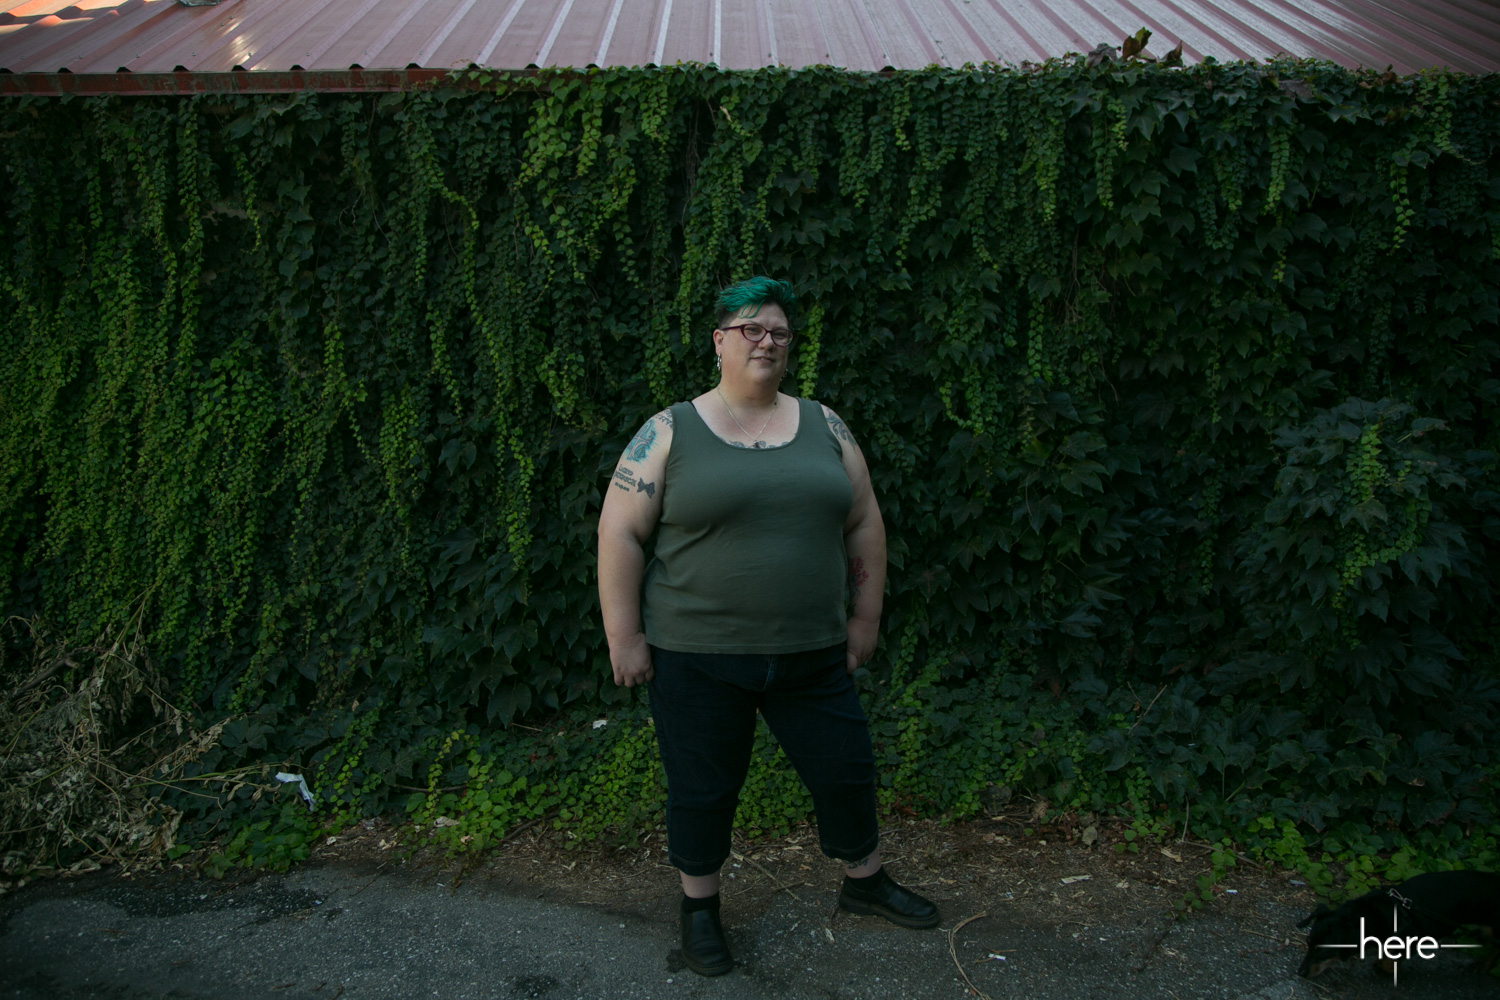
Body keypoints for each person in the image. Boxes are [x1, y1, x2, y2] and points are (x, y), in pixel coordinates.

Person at [596, 276, 938, 977]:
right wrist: (624, 637)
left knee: (845, 769)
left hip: (811, 652)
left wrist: (865, 616)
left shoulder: (824, 424)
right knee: (702, 788)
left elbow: (864, 520)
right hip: (696, 654)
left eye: (779, 332)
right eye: (751, 328)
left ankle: (865, 882)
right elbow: (619, 532)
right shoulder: (670, 429)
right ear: (719, 341)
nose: (767, 341)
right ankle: (699, 913)